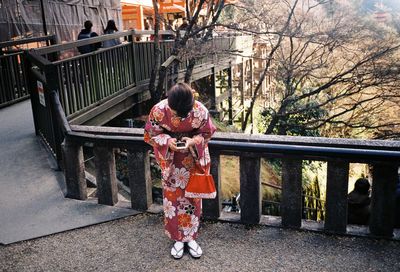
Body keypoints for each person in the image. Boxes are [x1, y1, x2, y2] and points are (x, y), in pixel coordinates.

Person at [144, 83, 216, 259]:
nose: (178, 116)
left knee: (193, 198)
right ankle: (177, 238)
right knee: (173, 200)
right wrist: (168, 142)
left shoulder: (200, 110)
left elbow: (207, 133)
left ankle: (191, 237)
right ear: (169, 102)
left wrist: (193, 141)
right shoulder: (159, 110)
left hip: (192, 161)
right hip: (171, 161)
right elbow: (150, 135)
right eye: (176, 112)